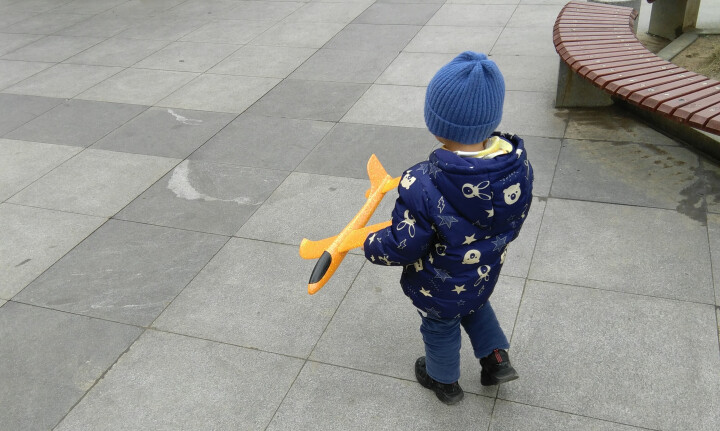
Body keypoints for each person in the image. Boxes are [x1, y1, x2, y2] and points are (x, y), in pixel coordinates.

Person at [363, 51, 533, 405]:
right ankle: (495, 359)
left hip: (438, 283)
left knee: (440, 326)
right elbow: (515, 221)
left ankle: (443, 381)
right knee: (476, 305)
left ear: (436, 124)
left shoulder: (422, 183)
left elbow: (405, 244)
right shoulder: (518, 168)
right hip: (484, 270)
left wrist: (370, 243)